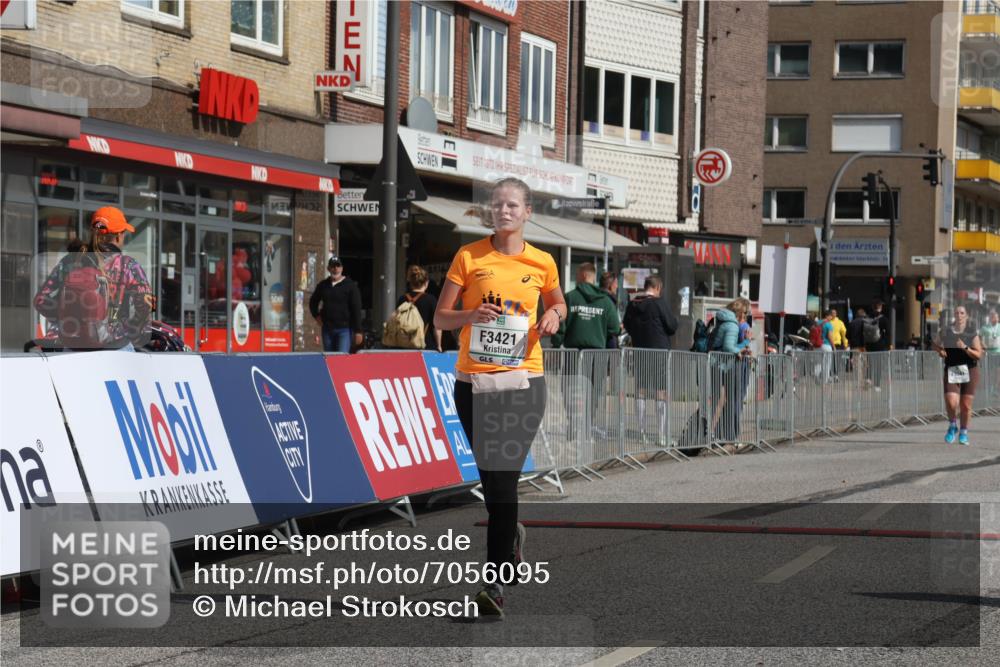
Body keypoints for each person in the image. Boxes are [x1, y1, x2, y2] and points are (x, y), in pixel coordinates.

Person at [433, 178, 566, 618]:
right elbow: (440, 316)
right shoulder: (469, 256)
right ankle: (511, 539)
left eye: (512, 205)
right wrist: (471, 314)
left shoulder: (542, 261)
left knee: (504, 476)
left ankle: (494, 584)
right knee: (492, 481)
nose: (503, 211)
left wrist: (552, 314)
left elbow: (560, 305)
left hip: (524, 382)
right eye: (497, 204)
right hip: (474, 385)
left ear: (527, 212)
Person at [34, 206, 152, 351]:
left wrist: (66, 318)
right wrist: (129, 331)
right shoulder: (128, 266)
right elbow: (146, 305)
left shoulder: (69, 262)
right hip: (116, 348)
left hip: (73, 347)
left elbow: (40, 300)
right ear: (118, 236)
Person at [622, 275, 679, 442]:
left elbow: (627, 325)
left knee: (641, 391)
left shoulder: (634, 303)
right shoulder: (659, 303)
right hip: (660, 352)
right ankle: (662, 435)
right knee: (661, 392)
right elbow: (672, 326)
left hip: (640, 351)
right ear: (658, 288)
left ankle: (641, 432)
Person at [934, 306, 983, 445]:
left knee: (965, 405)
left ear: (966, 316)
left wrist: (965, 348)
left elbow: (978, 354)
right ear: (954, 315)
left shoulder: (971, 332)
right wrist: (940, 350)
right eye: (957, 313)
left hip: (970, 369)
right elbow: (935, 344)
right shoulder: (945, 331)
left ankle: (963, 432)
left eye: (962, 313)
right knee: (951, 401)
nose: (959, 315)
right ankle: (952, 425)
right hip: (953, 368)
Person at [708, 298, 752, 448]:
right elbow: (728, 347)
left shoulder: (721, 320)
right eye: (745, 313)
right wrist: (745, 344)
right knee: (723, 401)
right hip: (722, 365)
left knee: (718, 400)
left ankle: (711, 433)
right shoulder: (733, 325)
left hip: (716, 363)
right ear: (740, 313)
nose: (745, 316)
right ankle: (714, 434)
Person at [552, 263, 620, 350]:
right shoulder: (606, 301)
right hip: (597, 355)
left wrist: (556, 344)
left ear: (583, 275)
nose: (576, 278)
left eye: (577, 275)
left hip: (572, 354)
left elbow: (560, 326)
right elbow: (615, 328)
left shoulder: (570, 297)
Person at [309, 257, 363, 353]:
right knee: (329, 358)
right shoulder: (323, 285)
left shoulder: (350, 286)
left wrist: (358, 331)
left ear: (342, 268)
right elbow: (313, 301)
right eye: (333, 266)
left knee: (341, 358)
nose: (336, 269)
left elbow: (356, 308)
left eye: (338, 266)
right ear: (328, 269)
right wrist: (316, 316)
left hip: (344, 330)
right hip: (327, 329)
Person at [394, 265, 441, 351]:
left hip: (403, 345)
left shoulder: (402, 299)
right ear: (426, 283)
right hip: (425, 345)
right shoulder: (431, 300)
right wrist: (439, 345)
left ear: (411, 283)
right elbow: (437, 326)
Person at [600, 271, 623, 349]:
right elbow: (613, 327)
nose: (617, 286)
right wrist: (619, 327)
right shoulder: (609, 301)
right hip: (608, 342)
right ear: (610, 285)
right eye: (616, 283)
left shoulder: (596, 298)